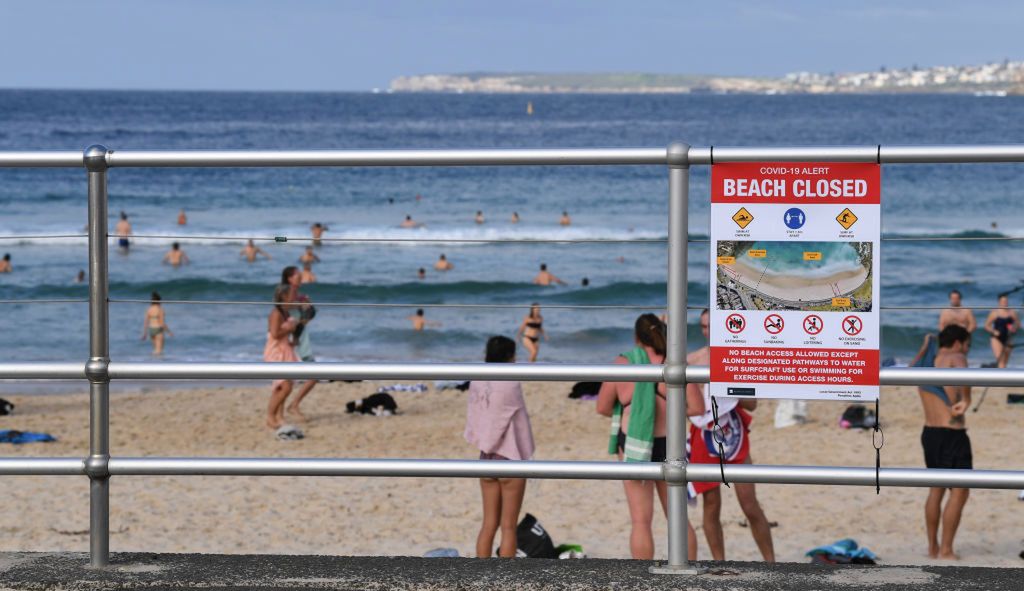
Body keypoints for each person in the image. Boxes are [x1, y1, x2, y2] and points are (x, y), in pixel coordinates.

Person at [596, 314, 704, 560]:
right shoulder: (675, 363)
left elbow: (602, 407)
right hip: (670, 444)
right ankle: (687, 573)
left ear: (636, 338)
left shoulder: (624, 363)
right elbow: (698, 408)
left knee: (641, 522)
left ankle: (642, 580)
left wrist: (631, 410)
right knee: (677, 518)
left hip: (633, 442)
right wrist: (671, 409)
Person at [686, 309, 775, 562]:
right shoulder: (692, 360)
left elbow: (752, 404)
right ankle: (718, 563)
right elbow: (683, 404)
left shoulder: (737, 357)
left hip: (733, 432)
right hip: (703, 434)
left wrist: (731, 381)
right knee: (711, 505)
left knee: (749, 504)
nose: (707, 331)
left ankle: (772, 563)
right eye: (703, 326)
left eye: (711, 326)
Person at [465, 336, 534, 558]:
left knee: (488, 524)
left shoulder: (478, 380)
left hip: (486, 457)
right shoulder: (510, 382)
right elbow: (509, 418)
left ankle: (480, 578)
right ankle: (504, 580)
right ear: (509, 356)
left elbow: (480, 417)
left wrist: (486, 442)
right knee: (508, 527)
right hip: (510, 457)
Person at [913, 325, 973, 559]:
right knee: (960, 491)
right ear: (958, 342)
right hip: (952, 433)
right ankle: (947, 550)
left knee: (936, 489)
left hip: (929, 432)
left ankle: (932, 548)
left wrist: (926, 343)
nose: (966, 351)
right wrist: (966, 398)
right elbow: (962, 369)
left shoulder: (929, 359)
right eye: (967, 345)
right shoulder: (955, 356)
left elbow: (910, 370)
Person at [281, 266, 318, 421]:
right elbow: (283, 308)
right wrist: (300, 302)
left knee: (314, 375)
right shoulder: (285, 291)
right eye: (297, 275)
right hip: (291, 339)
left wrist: (307, 308)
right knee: (286, 379)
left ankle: (292, 405)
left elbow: (305, 318)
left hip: (301, 336)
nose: (300, 277)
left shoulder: (297, 294)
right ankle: (284, 411)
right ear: (289, 278)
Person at [264, 285, 299, 429]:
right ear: (284, 297)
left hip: (285, 349)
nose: (295, 299)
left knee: (283, 386)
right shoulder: (276, 313)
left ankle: (279, 416)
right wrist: (289, 329)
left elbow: (283, 335)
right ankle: (270, 416)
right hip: (275, 352)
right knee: (285, 386)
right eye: (292, 296)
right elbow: (274, 334)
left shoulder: (286, 313)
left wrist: (292, 340)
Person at [984, 293, 1019, 368]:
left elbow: (1018, 324)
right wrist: (993, 331)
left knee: (1005, 363)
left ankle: (1000, 377)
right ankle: (1002, 379)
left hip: (1008, 338)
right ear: (999, 302)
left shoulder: (1012, 312)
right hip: (996, 338)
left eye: (1006, 301)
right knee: (1001, 362)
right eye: (1003, 301)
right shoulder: (994, 313)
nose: (1004, 303)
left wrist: (1014, 328)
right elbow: (987, 325)